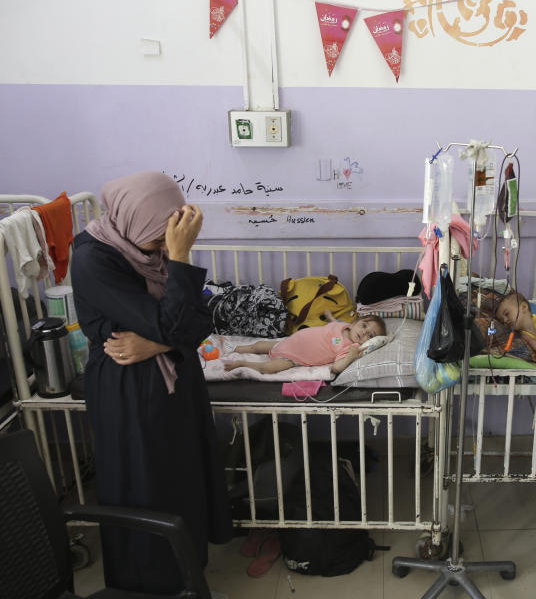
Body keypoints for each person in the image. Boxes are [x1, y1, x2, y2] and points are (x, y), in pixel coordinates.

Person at [70, 171, 231, 593]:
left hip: (175, 377)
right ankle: (147, 586)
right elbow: (175, 322)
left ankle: (186, 573)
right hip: (130, 392)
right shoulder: (94, 259)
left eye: (169, 242)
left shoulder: (143, 248)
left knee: (183, 480)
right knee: (143, 486)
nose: (163, 250)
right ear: (135, 220)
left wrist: (158, 345)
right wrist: (178, 258)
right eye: (159, 242)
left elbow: (197, 321)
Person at [224, 310, 385, 375]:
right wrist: (329, 316)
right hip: (292, 340)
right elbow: (333, 322)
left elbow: (336, 368)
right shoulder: (343, 326)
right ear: (354, 323)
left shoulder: (350, 348)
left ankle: (242, 364)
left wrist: (350, 357)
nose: (364, 332)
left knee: (267, 368)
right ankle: (236, 347)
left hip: (295, 358)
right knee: (259, 346)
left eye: (370, 336)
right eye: (364, 326)